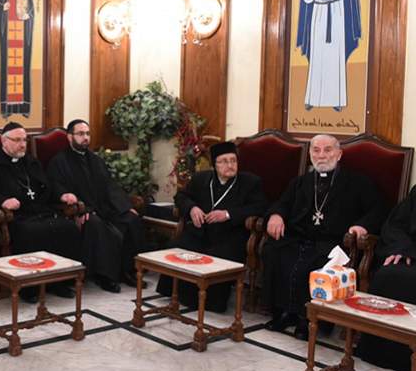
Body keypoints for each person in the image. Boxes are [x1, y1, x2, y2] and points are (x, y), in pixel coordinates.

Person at [262, 134, 385, 339]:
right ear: (310, 154)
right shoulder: (301, 182)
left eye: (328, 150)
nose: (321, 155)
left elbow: (378, 210)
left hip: (333, 242)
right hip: (299, 237)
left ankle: (311, 319)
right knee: (276, 251)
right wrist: (276, 215)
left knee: (318, 262)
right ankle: (285, 312)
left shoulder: (357, 182)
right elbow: (282, 203)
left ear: (339, 154)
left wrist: (362, 226)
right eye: (316, 150)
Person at [0, 122, 82, 301]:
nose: (22, 144)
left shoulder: (31, 161)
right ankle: (29, 288)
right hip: (16, 218)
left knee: (67, 228)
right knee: (31, 232)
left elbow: (48, 184)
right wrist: (2, 201)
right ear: (4, 141)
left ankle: (59, 283)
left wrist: (62, 195)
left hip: (40, 211)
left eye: (24, 140)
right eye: (17, 140)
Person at [154, 142, 267, 312]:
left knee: (219, 255)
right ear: (215, 164)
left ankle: (210, 303)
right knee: (178, 247)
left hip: (230, 234)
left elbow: (261, 206)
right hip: (201, 230)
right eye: (224, 161)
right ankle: (177, 293)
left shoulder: (250, 182)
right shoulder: (201, 179)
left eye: (233, 160)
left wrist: (228, 214)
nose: (230, 165)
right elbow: (181, 196)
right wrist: (192, 208)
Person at [46, 119, 147, 292]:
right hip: (82, 211)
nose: (85, 137)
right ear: (69, 137)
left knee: (131, 219)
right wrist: (80, 209)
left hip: (104, 207)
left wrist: (124, 206)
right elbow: (56, 188)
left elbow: (110, 186)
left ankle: (128, 271)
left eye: (87, 133)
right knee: (95, 224)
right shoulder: (59, 162)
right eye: (80, 134)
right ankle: (105, 276)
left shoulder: (96, 160)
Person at [294, 0, 367, 111]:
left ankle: (337, 99)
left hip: (337, 16)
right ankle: (312, 98)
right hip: (318, 19)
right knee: (317, 57)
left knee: (335, 58)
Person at [356, 186, 416, 371]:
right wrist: (403, 248)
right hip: (412, 255)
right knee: (389, 273)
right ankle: (376, 353)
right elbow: (394, 225)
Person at [0, 0, 35, 118]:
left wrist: (28, 17)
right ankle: (7, 108)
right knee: (7, 70)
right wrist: (3, 9)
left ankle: (23, 108)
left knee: (23, 69)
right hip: (8, 37)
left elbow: (31, 13)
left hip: (22, 37)